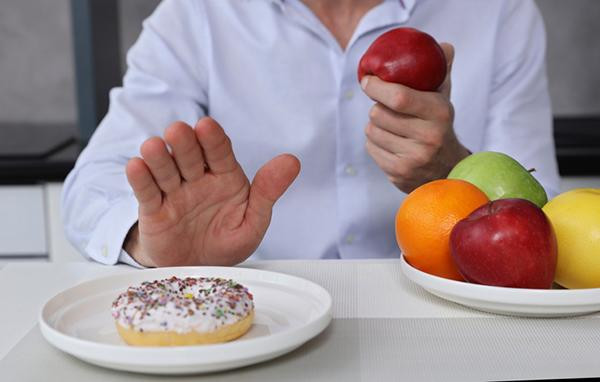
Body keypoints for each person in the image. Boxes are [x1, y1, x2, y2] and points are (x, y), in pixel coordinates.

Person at [62, 0, 559, 268]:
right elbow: (94, 185)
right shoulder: (197, 14)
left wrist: (453, 173)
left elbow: (546, 217)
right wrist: (150, 244)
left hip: (438, 313)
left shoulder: (502, 12)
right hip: (261, 315)